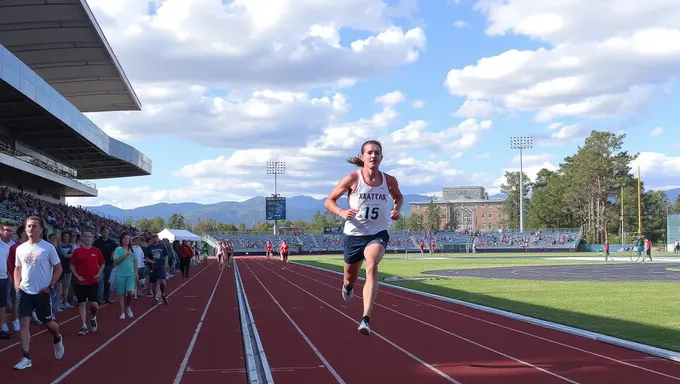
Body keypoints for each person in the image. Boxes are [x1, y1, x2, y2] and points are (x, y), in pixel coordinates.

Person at [324, 140, 403, 336]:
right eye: (369, 152)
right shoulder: (352, 179)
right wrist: (341, 212)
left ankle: (365, 318)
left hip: (377, 234)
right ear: (362, 157)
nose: (373, 156)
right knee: (350, 278)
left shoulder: (389, 180)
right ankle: (348, 286)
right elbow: (329, 200)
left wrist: (396, 209)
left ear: (381, 157)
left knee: (371, 265)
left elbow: (398, 197)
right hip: (354, 235)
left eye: (377, 153)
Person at [12, 216, 65, 370]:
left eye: (34, 226)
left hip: (42, 293)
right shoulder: (20, 248)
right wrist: (17, 286)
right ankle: (26, 357)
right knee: (23, 322)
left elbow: (59, 268)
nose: (30, 229)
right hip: (25, 292)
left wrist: (51, 286)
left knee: (49, 323)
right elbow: (17, 268)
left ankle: (57, 338)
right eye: (28, 226)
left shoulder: (48, 248)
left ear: (41, 229)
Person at [70, 231, 105, 335]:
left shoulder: (96, 250)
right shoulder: (77, 251)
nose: (87, 238)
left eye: (89, 237)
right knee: (82, 303)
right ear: (82, 238)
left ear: (92, 238)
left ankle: (93, 316)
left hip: (93, 281)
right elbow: (72, 265)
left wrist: (98, 274)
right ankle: (84, 325)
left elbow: (102, 263)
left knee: (94, 304)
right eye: (85, 236)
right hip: (80, 282)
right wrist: (76, 275)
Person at [113, 233, 137, 319]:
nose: (126, 240)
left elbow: (135, 261)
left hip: (130, 274)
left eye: (128, 238)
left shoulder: (132, 250)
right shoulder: (118, 250)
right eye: (124, 238)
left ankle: (128, 306)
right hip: (120, 274)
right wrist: (125, 255)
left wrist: (136, 272)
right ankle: (122, 312)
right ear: (121, 240)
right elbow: (116, 262)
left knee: (130, 293)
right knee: (121, 294)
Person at [144, 234, 169, 306]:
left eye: (156, 237)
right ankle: (156, 298)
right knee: (154, 284)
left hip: (161, 266)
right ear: (151, 239)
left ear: (158, 238)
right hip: (153, 267)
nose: (154, 239)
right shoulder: (149, 248)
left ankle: (162, 293)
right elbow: (146, 258)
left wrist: (166, 263)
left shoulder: (162, 246)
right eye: (153, 238)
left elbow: (166, 255)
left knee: (162, 282)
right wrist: (152, 262)